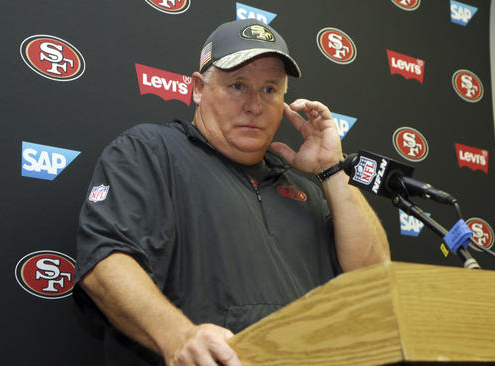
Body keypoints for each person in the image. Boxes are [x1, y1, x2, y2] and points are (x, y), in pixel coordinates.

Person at [74, 19, 390, 366]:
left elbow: (374, 281)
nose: (254, 105)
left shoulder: (306, 189)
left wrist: (331, 169)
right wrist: (178, 335)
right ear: (197, 88)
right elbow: (105, 262)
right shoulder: (150, 151)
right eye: (238, 85)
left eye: (269, 90)